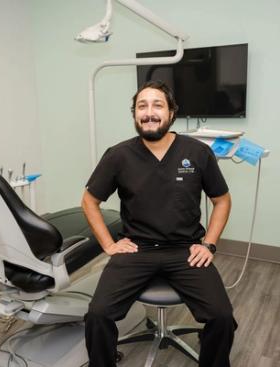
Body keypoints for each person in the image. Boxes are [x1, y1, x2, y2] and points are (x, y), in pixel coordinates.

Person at [81, 80, 237, 367]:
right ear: (134, 115)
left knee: (222, 317)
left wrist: (209, 244)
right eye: (142, 106)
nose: (149, 112)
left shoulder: (197, 153)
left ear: (172, 113)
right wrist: (109, 244)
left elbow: (222, 200)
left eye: (157, 105)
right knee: (97, 315)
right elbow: (89, 201)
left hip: (185, 250)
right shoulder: (118, 155)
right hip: (136, 250)